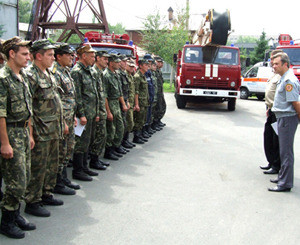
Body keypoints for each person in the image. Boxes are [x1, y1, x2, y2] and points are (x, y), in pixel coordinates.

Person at [0, 37, 36, 239]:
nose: (28, 57)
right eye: (24, 53)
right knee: (16, 182)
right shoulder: (3, 78)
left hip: (22, 132)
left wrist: (30, 133)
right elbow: (1, 114)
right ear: (11, 54)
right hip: (10, 134)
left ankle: (15, 213)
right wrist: (5, 143)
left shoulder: (21, 76)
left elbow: (28, 110)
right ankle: (6, 221)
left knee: (25, 176)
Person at [24, 40, 65, 218]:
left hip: (53, 129)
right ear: (38, 56)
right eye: (49, 55)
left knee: (51, 164)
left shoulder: (49, 73)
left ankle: (46, 193)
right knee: (38, 167)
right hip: (40, 131)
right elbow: (28, 108)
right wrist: (30, 134)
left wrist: (62, 123)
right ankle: (32, 201)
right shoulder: (30, 76)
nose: (53, 58)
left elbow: (55, 100)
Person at [268, 52, 300, 192]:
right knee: (282, 151)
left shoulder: (289, 81)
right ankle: (282, 177)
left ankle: (285, 183)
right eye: (273, 64)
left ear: (285, 64)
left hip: (287, 118)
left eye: (276, 64)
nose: (273, 66)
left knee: (286, 152)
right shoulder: (283, 78)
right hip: (282, 117)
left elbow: (295, 102)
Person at [52, 43, 80, 195]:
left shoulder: (66, 71)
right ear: (59, 56)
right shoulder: (56, 73)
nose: (71, 57)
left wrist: (74, 115)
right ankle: (57, 182)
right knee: (61, 151)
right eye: (68, 55)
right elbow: (57, 101)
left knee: (68, 149)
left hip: (70, 117)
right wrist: (63, 121)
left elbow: (70, 97)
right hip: (62, 120)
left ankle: (63, 179)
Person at [71, 45, 100, 181]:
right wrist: (81, 114)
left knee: (88, 140)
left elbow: (94, 93)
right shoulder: (77, 72)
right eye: (92, 56)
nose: (94, 58)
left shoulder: (90, 71)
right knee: (81, 142)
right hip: (83, 115)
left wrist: (97, 112)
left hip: (92, 113)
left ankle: (85, 167)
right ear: (84, 56)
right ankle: (78, 170)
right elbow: (77, 96)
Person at [260, 50, 283, 175]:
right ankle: (271, 162)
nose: (272, 63)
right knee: (268, 138)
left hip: (278, 112)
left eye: (274, 60)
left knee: (276, 140)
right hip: (271, 110)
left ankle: (276, 165)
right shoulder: (274, 74)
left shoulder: (282, 77)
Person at [103, 54, 128, 160]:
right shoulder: (106, 75)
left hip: (117, 103)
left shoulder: (116, 74)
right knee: (111, 129)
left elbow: (119, 92)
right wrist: (108, 112)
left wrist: (123, 104)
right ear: (111, 63)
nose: (119, 64)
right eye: (117, 62)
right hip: (110, 104)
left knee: (119, 127)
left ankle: (115, 147)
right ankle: (108, 151)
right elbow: (105, 96)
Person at [89, 50, 110, 170]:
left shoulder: (100, 72)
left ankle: (96, 159)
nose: (107, 61)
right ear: (98, 59)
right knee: (97, 136)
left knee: (101, 135)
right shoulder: (94, 72)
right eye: (104, 59)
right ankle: (93, 160)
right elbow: (95, 95)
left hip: (100, 109)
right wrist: (97, 112)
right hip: (95, 110)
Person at [133, 59, 150, 144]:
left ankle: (140, 135)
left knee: (142, 120)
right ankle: (136, 136)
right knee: (138, 120)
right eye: (145, 65)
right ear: (140, 66)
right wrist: (136, 104)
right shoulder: (137, 76)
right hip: (140, 102)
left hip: (144, 102)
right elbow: (136, 91)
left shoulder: (143, 75)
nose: (147, 66)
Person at [125, 59, 137, 147]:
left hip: (131, 103)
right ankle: (124, 141)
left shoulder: (131, 76)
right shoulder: (125, 76)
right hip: (127, 103)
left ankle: (126, 140)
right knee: (128, 122)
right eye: (130, 66)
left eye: (133, 67)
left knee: (130, 123)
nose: (132, 68)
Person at [153, 56, 166, 129]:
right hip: (156, 93)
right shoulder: (154, 72)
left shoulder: (158, 71)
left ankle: (158, 121)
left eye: (161, 63)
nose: (161, 64)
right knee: (156, 108)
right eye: (159, 62)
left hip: (160, 92)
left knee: (161, 107)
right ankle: (155, 123)